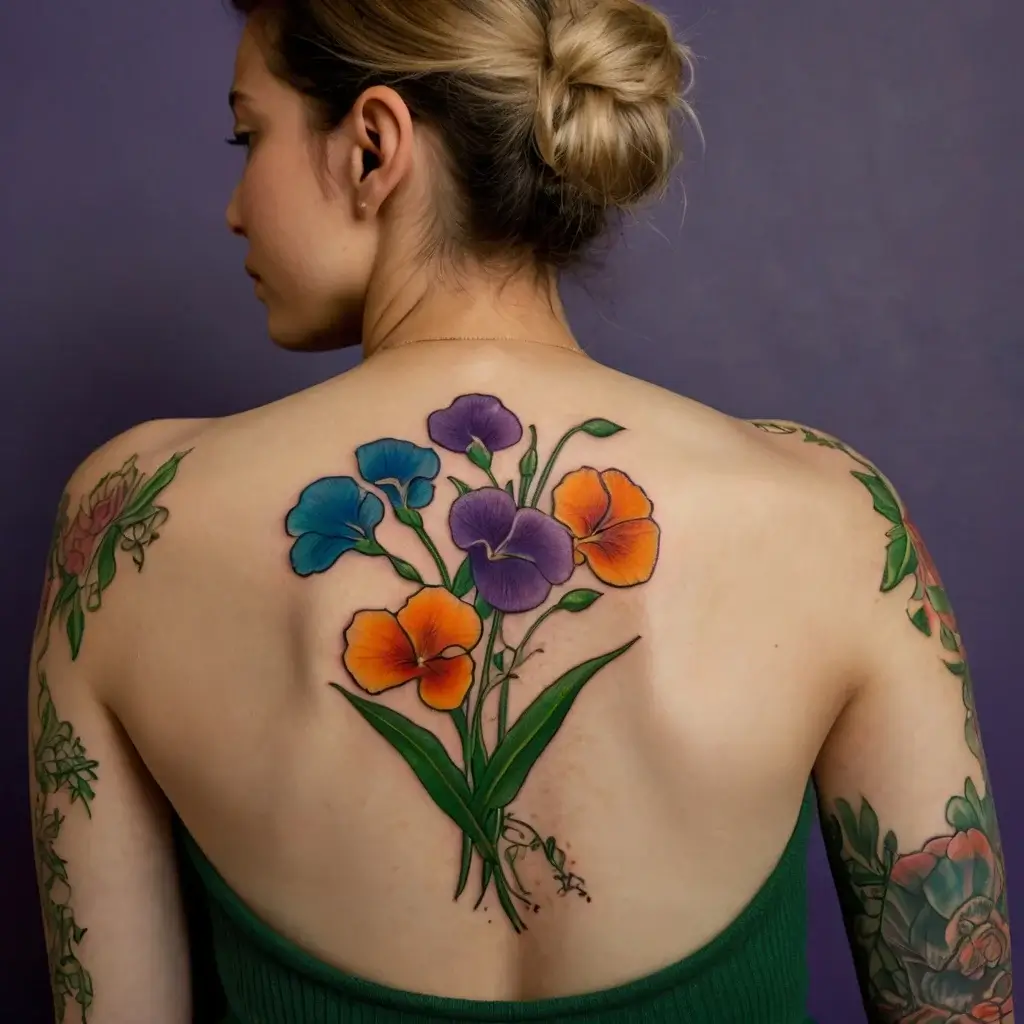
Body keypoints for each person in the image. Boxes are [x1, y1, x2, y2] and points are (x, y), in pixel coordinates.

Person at [27, 0, 1014, 1021]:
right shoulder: (841, 523)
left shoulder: (129, 518)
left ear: (372, 146)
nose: (235, 207)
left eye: (250, 135)